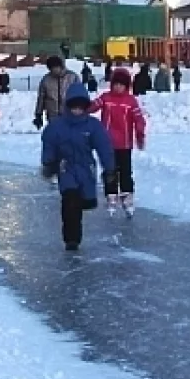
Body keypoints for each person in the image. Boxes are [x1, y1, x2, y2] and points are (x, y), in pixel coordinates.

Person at [41, 83, 115, 251]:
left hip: (86, 169)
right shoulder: (58, 126)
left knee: (85, 202)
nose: (77, 111)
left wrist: (109, 168)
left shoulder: (92, 126)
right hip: (66, 168)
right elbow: (49, 143)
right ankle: (72, 238)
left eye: (80, 107)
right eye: (74, 107)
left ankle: (76, 222)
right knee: (70, 202)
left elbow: (104, 147)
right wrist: (48, 162)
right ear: (68, 106)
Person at [89, 68, 145, 217]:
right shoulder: (106, 98)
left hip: (125, 144)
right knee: (110, 171)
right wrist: (81, 106)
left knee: (125, 172)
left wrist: (140, 134)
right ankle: (111, 195)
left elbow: (139, 119)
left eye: (121, 85)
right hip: (107, 143)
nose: (118, 87)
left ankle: (127, 196)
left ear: (127, 86)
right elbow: (93, 106)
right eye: (116, 84)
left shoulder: (131, 101)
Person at [33, 56, 80, 129]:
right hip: (53, 116)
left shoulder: (72, 77)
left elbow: (80, 95)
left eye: (55, 68)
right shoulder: (46, 79)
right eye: (51, 69)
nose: (54, 71)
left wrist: (81, 111)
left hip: (70, 115)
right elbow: (41, 98)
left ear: (60, 66)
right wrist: (38, 114)